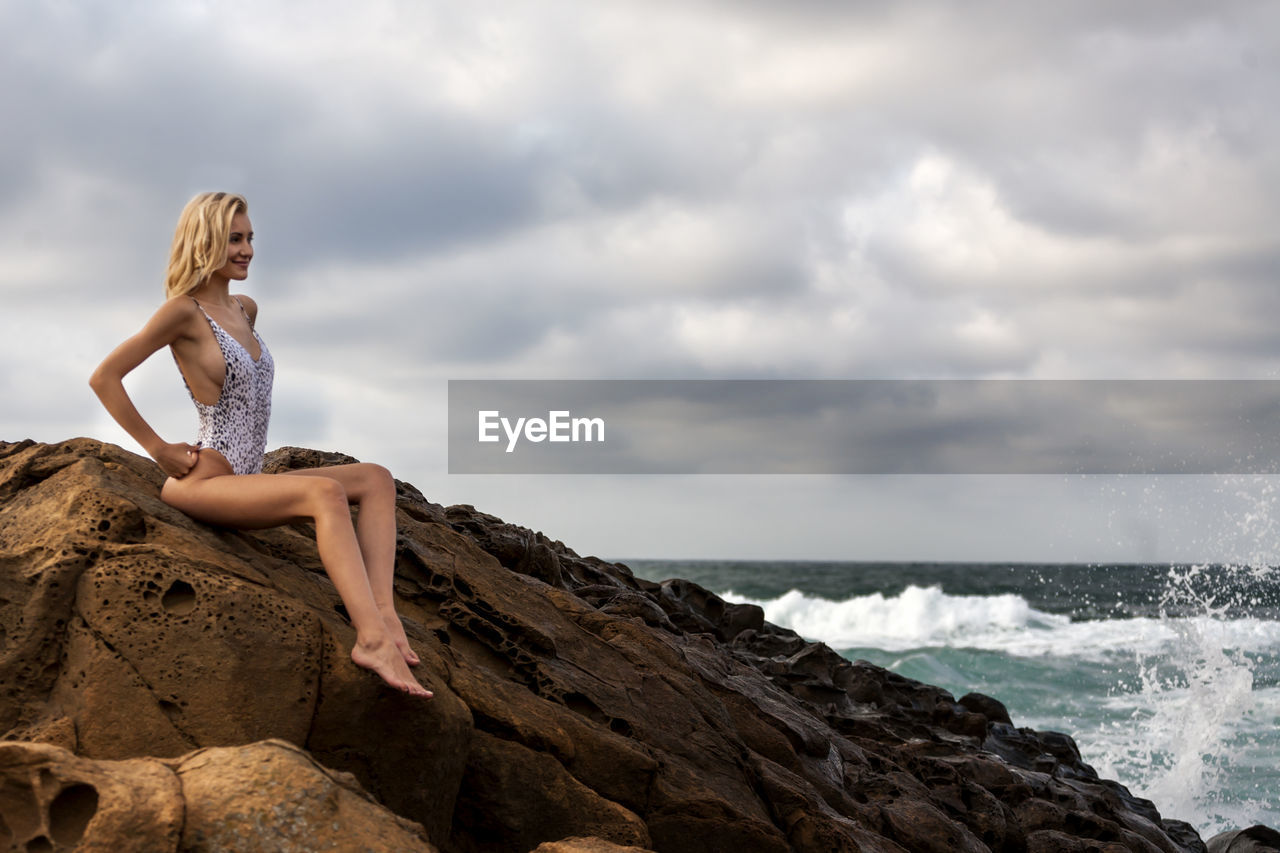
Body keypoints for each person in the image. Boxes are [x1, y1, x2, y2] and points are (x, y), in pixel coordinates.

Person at [90, 191, 432, 698]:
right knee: (325, 495)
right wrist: (158, 447)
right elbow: (105, 377)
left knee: (375, 478)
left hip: (248, 479)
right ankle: (370, 640)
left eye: (250, 238)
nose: (247, 249)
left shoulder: (245, 309)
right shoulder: (181, 313)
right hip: (206, 481)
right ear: (206, 241)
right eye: (234, 239)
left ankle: (385, 613)